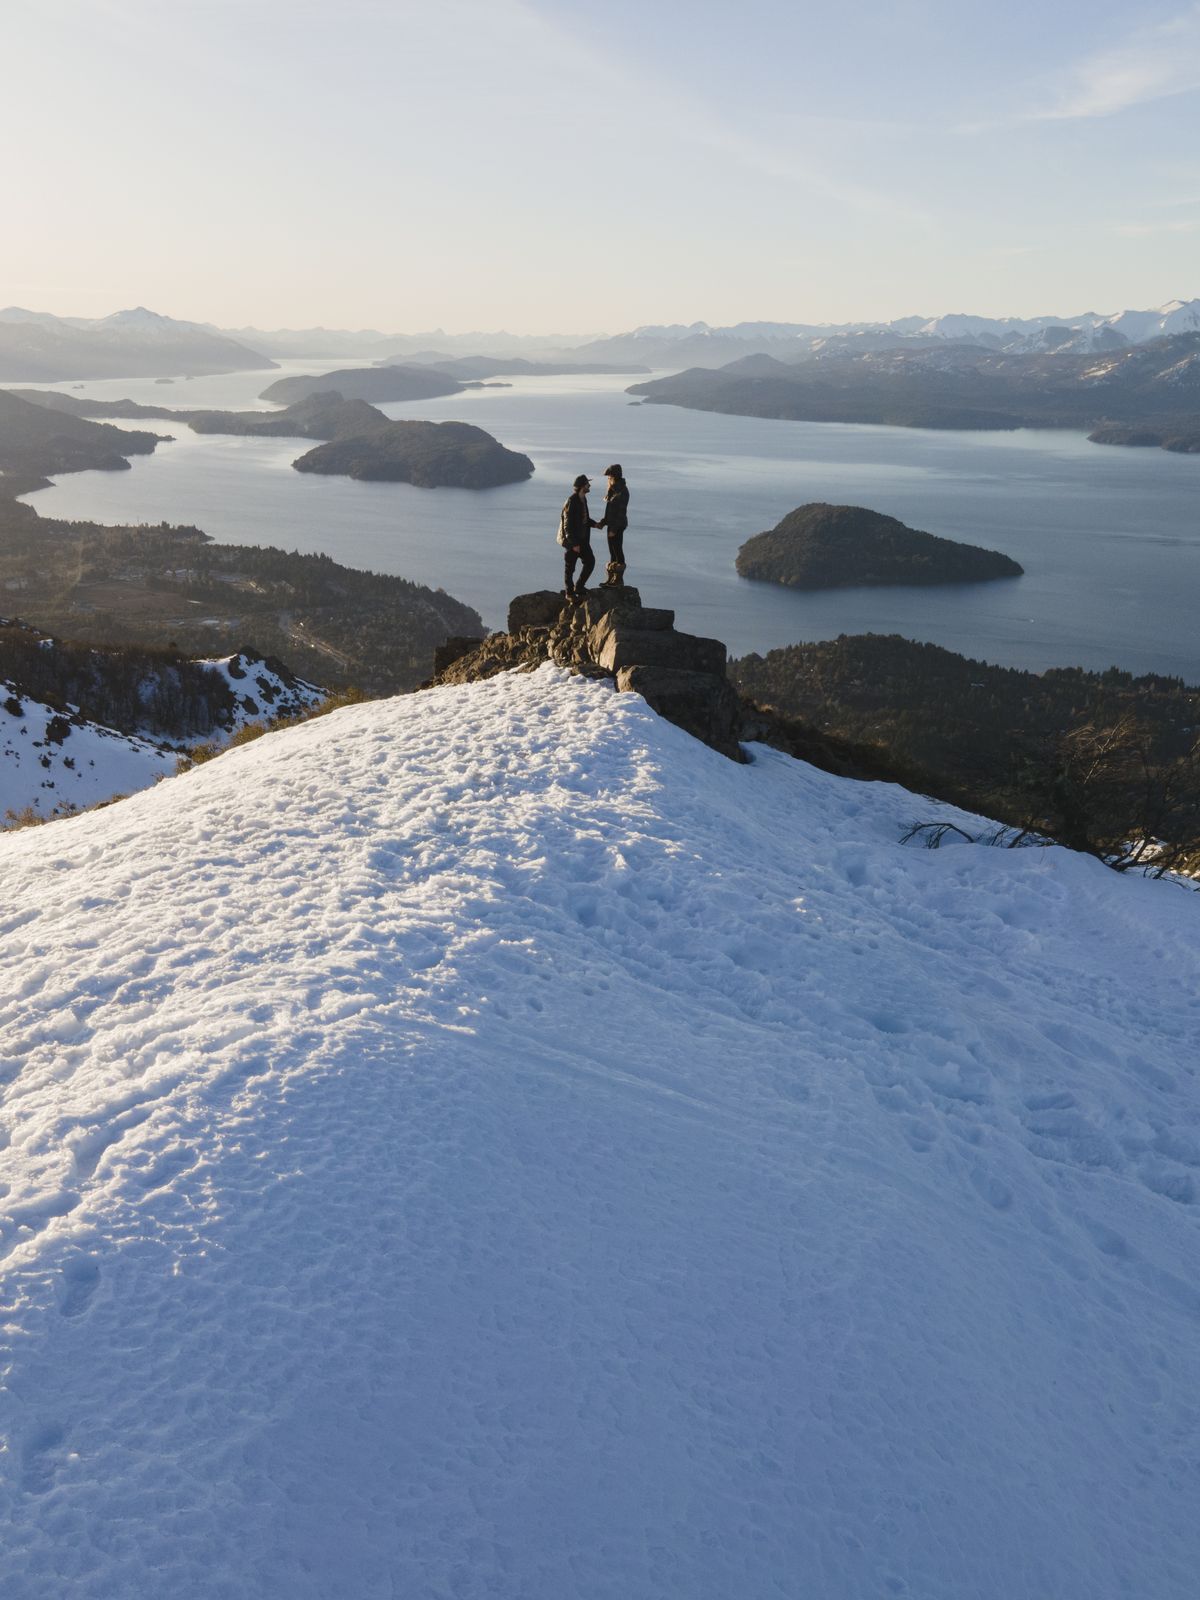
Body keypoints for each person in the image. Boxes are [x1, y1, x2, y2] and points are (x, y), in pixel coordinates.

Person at [560, 473, 597, 602]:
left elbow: (584, 519)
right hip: (573, 542)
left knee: (590, 562)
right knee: (570, 568)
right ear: (582, 486)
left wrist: (595, 524)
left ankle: (579, 587)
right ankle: (569, 593)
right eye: (587, 484)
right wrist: (574, 543)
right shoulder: (572, 501)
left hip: (583, 540)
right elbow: (567, 525)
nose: (589, 485)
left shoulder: (583, 499)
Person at [597, 463, 630, 588]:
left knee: (617, 550)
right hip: (612, 524)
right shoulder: (614, 490)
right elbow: (609, 512)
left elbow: (621, 513)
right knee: (612, 551)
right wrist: (603, 522)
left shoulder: (622, 492)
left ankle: (618, 580)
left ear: (613, 477)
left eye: (609, 476)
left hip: (617, 525)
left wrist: (614, 529)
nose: (608, 479)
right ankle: (611, 579)